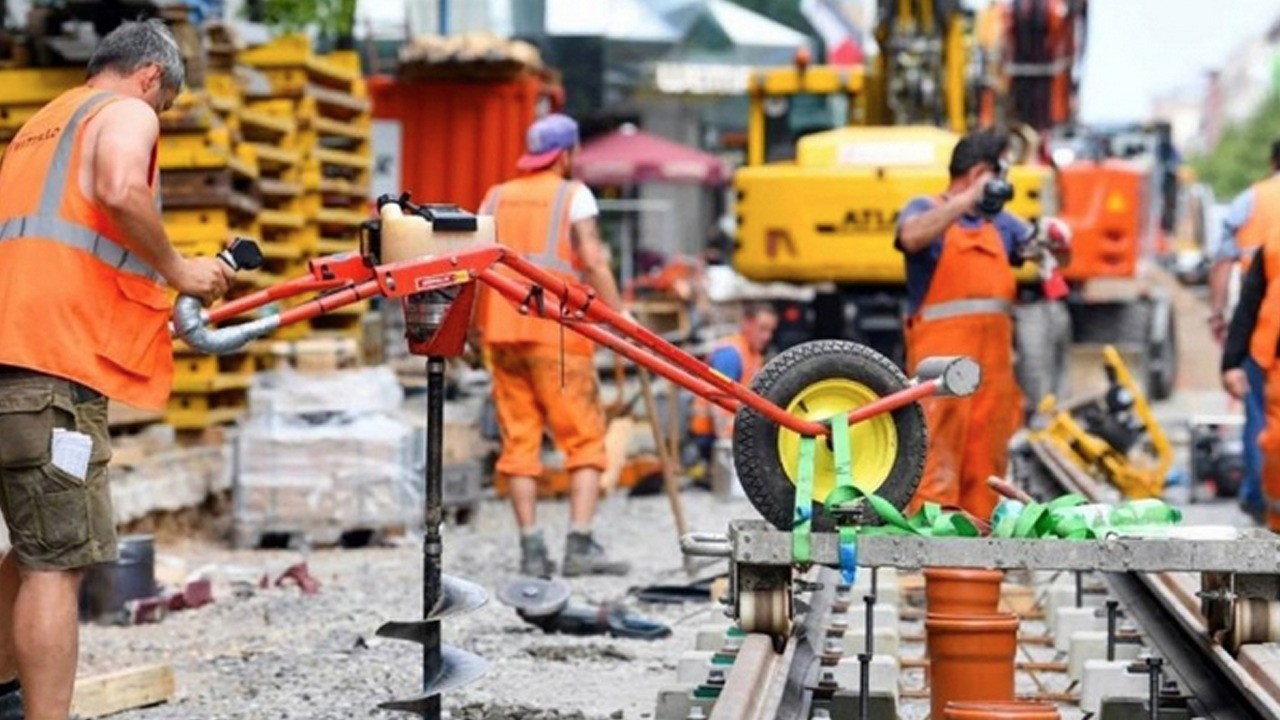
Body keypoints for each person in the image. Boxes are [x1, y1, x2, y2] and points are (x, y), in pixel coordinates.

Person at [0, 20, 234, 720]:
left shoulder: (40, 126)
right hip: (51, 365)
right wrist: (181, 271)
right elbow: (122, 188)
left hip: (11, 354)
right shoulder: (126, 109)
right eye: (163, 107)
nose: (155, 119)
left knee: (29, 547)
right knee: (57, 562)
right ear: (151, 77)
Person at [475, 114, 630, 579]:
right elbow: (594, 259)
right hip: (555, 332)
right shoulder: (573, 193)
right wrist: (619, 317)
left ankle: (531, 549)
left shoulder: (495, 196)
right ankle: (579, 544)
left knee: (519, 442)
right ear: (565, 154)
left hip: (502, 331)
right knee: (583, 439)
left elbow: (474, 261)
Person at [895, 130, 1070, 519]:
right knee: (934, 453)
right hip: (941, 371)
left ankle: (977, 561)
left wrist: (1057, 242)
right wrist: (967, 200)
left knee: (986, 460)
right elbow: (910, 237)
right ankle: (929, 553)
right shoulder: (925, 209)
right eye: (1000, 172)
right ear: (979, 172)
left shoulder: (1001, 225)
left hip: (992, 374)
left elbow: (1046, 254)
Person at [1210, 139, 1280, 522]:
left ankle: (1260, 507)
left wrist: (1217, 316)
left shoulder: (1250, 200)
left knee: (1264, 431)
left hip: (1264, 347)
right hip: (1267, 347)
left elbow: (1225, 263)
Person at [1223, 231, 1280, 531]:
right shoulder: (1273, 247)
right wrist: (1231, 362)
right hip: (1271, 363)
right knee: (1272, 442)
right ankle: (1270, 519)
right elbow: (1248, 307)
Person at [689, 303, 778, 463]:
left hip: (734, 437)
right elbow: (718, 402)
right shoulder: (730, 354)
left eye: (770, 331)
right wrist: (728, 448)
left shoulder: (753, 355)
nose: (767, 336)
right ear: (747, 323)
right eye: (762, 329)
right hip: (711, 440)